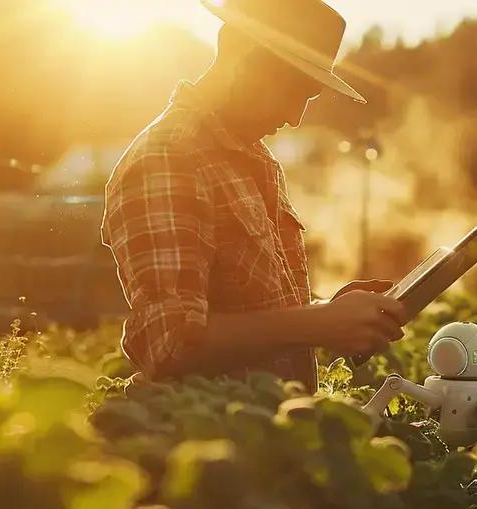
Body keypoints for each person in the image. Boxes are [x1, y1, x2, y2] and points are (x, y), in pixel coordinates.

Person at [101, 0, 405, 392]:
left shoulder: (252, 156)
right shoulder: (170, 157)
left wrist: (325, 312)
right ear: (242, 56)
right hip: (205, 441)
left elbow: (249, 310)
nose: (296, 116)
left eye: (308, 97)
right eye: (293, 90)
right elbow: (171, 342)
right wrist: (318, 323)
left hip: (270, 439)